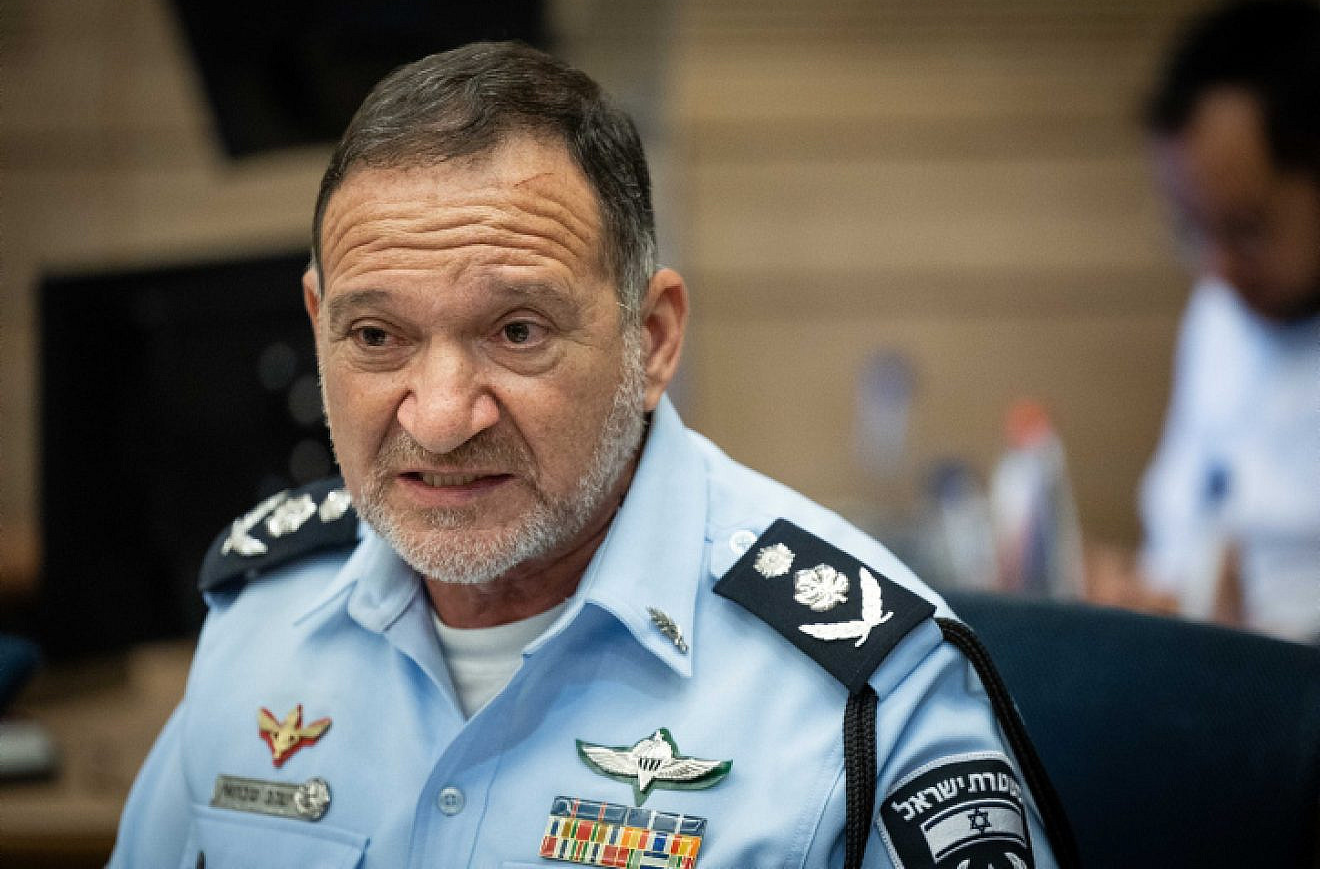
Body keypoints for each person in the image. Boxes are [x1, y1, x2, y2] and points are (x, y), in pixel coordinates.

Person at [110, 42, 1071, 867]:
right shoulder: (261, 621)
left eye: (518, 331)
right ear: (319, 326)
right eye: (375, 337)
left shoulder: (868, 697)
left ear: (650, 340)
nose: (441, 418)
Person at [1134, 0, 1320, 643]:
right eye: (1194, 231)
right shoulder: (1223, 314)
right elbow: (1180, 540)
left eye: (1245, 230)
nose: (1216, 269)